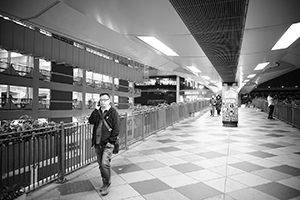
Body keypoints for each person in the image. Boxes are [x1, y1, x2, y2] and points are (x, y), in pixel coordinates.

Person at [88, 93, 120, 196]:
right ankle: (104, 183)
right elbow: (90, 120)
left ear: (109, 100)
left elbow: (116, 129)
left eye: (105, 100)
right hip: (97, 143)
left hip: (108, 143)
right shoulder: (98, 112)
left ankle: (107, 184)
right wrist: (96, 109)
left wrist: (111, 141)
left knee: (104, 163)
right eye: (101, 100)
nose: (102, 102)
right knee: (101, 165)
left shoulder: (113, 113)